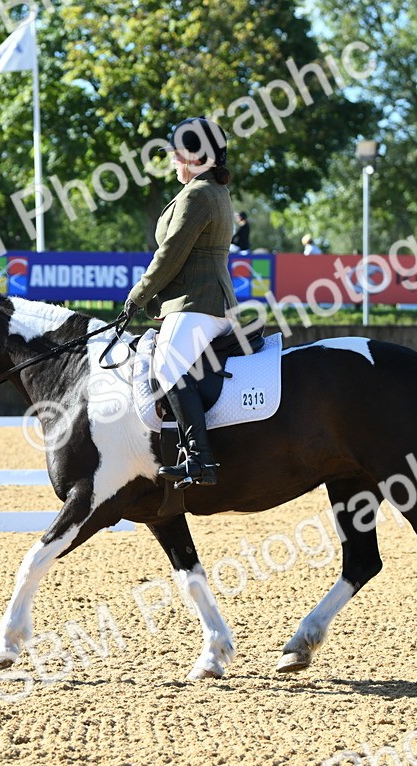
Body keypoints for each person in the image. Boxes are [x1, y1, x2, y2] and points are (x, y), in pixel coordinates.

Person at [126, 117, 238, 488]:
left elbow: (171, 254)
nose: (173, 160)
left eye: (177, 154)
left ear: (195, 156)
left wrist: (138, 295)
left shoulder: (198, 195)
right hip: (209, 300)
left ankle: (199, 458)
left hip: (198, 301)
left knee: (168, 364)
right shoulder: (213, 189)